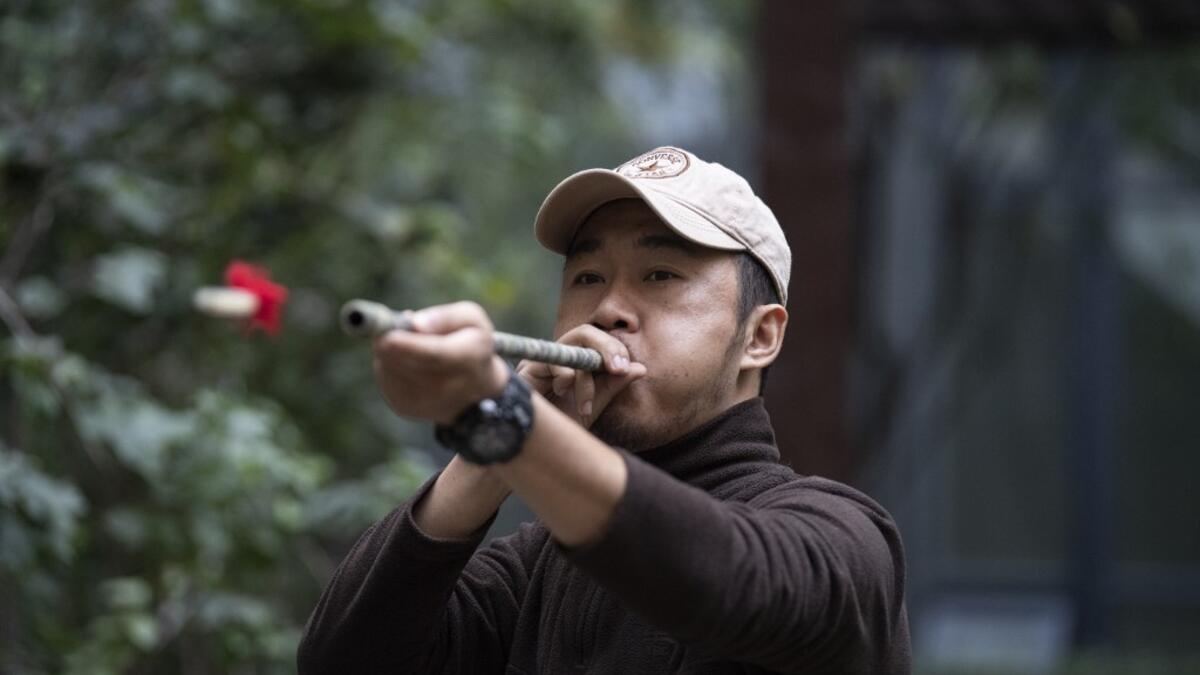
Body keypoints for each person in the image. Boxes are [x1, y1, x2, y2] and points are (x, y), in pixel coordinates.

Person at [297, 146, 911, 674]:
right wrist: (486, 444)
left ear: (760, 337)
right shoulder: (534, 568)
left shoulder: (845, 536)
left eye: (661, 274)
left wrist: (512, 426)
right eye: (587, 277)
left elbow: (727, 576)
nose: (609, 308)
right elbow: (344, 660)